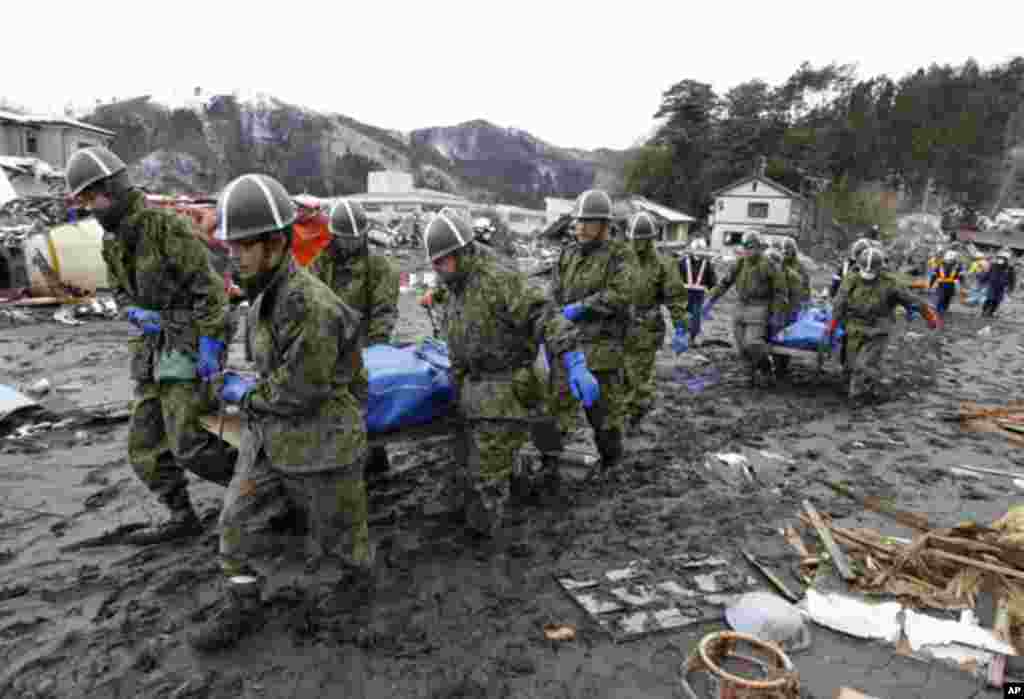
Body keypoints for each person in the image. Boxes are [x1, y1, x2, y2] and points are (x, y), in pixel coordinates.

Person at [189, 174, 373, 652]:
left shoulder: (309, 305)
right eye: (230, 247)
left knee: (339, 544)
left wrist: (241, 394)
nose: (234, 256)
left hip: (323, 440)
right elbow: (271, 371)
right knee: (235, 522)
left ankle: (351, 603)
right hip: (271, 435)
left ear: (274, 244)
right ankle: (244, 603)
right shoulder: (263, 295)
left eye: (243, 247)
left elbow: (299, 391)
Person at [65, 146, 233, 546]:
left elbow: (211, 293)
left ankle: (265, 490)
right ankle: (181, 514)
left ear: (113, 187)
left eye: (92, 197)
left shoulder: (166, 228)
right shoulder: (113, 240)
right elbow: (120, 290)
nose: (89, 208)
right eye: (83, 201)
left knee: (191, 444)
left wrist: (210, 344)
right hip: (151, 349)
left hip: (189, 342)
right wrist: (134, 313)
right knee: (144, 444)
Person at [417, 211, 588, 536]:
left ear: (463, 253)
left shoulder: (500, 279)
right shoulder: (457, 279)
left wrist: (574, 358)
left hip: (505, 387)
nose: (438, 270)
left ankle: (486, 541)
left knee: (487, 476)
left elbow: (544, 315)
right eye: (434, 264)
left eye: (443, 263)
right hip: (472, 385)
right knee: (467, 461)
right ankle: (503, 496)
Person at [311, 198, 400, 483]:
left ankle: (376, 459)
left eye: (356, 237)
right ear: (334, 235)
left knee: (366, 403)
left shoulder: (379, 266)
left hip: (365, 344)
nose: (351, 243)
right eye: (345, 237)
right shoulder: (320, 264)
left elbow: (384, 310)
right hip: (329, 345)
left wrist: (376, 346)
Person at [549, 189, 637, 475]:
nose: (580, 227)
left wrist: (581, 307)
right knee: (556, 411)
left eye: (588, 222)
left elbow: (622, 294)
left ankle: (611, 464)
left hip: (603, 347)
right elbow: (555, 294)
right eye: (578, 221)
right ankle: (548, 466)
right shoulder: (568, 254)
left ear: (604, 225)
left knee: (603, 417)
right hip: (569, 344)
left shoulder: (620, 255)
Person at [828, 247, 940, 405]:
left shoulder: (890, 283)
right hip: (853, 327)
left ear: (879, 268)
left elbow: (911, 299)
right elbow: (840, 301)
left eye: (872, 272)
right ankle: (860, 386)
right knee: (850, 365)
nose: (867, 275)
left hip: (877, 329)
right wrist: (832, 324)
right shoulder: (851, 279)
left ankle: (858, 397)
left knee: (865, 364)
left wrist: (928, 315)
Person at [621, 212, 689, 429]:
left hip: (646, 328)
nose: (638, 245)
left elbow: (676, 298)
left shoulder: (663, 263)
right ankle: (624, 413)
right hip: (619, 326)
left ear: (652, 239)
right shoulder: (620, 258)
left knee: (639, 379)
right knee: (619, 376)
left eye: (643, 240)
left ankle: (635, 415)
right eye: (634, 240)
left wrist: (680, 329)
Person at [704, 231, 788, 386]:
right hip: (740, 306)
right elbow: (725, 283)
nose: (750, 250)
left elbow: (780, 292)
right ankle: (748, 374)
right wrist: (710, 300)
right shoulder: (740, 263)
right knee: (741, 346)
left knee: (753, 343)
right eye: (747, 247)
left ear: (759, 247)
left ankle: (766, 368)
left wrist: (777, 314)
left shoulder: (769, 265)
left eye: (753, 247)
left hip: (759, 307)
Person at [680, 238, 717, 346]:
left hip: (698, 297)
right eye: (696, 248)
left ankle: (691, 339)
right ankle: (681, 337)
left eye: (701, 249)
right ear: (692, 249)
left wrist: (713, 292)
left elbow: (712, 281)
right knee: (682, 317)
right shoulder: (683, 262)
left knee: (696, 318)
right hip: (684, 295)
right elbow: (676, 278)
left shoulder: (707, 264)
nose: (698, 251)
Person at [979, 248, 1016, 318]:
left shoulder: (1009, 268)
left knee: (997, 300)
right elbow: (988, 273)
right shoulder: (994, 265)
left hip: (1001, 287)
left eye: (1003, 258)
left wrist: (1011, 287)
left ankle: (991, 313)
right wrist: (982, 280)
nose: (1001, 260)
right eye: (1000, 258)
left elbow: (1012, 278)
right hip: (992, 285)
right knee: (989, 298)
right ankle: (984, 311)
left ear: (1007, 260)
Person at [929, 249, 962, 318]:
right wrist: (931, 284)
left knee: (947, 299)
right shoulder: (939, 265)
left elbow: (959, 276)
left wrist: (960, 284)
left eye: (951, 260)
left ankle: (943, 311)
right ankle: (937, 312)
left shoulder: (957, 267)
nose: (949, 261)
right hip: (941, 285)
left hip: (951, 285)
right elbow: (934, 275)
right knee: (941, 298)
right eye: (948, 260)